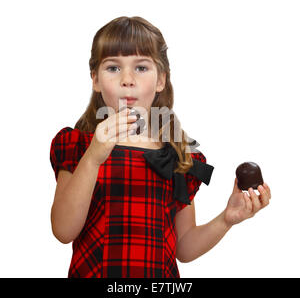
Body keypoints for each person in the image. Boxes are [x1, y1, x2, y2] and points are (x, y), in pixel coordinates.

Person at [49, 16, 271, 278]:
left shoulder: (178, 156)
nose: (127, 79)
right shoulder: (78, 145)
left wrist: (226, 219)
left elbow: (184, 247)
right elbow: (63, 231)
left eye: (141, 68)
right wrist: (93, 158)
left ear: (161, 80)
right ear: (95, 79)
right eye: (113, 68)